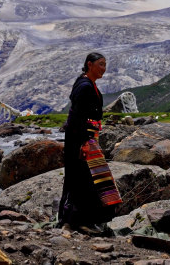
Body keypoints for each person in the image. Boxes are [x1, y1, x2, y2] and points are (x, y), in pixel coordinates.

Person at [58, 52, 121, 235]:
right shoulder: (85, 86)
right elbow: (78, 117)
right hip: (81, 139)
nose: (104, 68)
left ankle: (75, 219)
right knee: (83, 178)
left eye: (105, 64)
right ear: (89, 64)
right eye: (100, 64)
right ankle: (77, 221)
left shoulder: (87, 83)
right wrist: (84, 142)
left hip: (84, 138)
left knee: (83, 177)